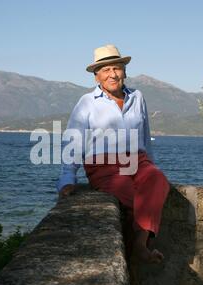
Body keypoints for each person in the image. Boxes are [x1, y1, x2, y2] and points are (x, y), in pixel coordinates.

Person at [57, 44, 170, 264]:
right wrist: (67, 179)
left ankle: (138, 246)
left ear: (124, 71)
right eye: (106, 70)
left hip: (139, 161)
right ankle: (140, 250)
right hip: (103, 165)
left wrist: (152, 167)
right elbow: (73, 140)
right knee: (132, 197)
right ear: (96, 76)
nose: (113, 74)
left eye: (116, 68)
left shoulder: (137, 97)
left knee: (158, 182)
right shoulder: (87, 103)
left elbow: (145, 137)